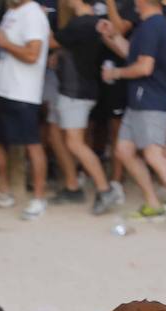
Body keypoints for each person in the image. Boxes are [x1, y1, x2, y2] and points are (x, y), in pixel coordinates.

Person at [99, 0, 166, 230]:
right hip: (139, 100)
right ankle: (153, 204)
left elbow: (144, 67)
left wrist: (115, 73)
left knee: (154, 155)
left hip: (152, 100)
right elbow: (132, 54)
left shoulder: (154, 25)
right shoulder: (146, 25)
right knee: (124, 151)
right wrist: (110, 36)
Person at [0, 0, 50, 218]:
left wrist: (6, 44)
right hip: (0, 88)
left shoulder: (33, 14)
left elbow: (32, 55)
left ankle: (38, 198)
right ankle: (3, 189)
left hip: (23, 92)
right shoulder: (11, 12)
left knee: (31, 144)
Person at [53, 0, 118, 212]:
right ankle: (74, 187)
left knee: (75, 144)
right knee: (62, 137)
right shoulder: (95, 22)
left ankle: (104, 188)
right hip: (82, 89)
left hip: (76, 92)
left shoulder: (80, 24)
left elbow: (52, 41)